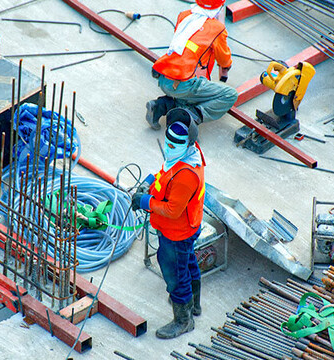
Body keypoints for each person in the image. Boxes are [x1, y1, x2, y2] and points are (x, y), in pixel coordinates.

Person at [131, 114, 206, 339]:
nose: (169, 147)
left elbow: (172, 210)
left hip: (177, 232)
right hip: (188, 227)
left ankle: (184, 320)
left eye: (175, 144)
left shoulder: (186, 175)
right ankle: (193, 305)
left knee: (175, 275)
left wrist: (145, 201)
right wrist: (149, 181)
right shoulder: (187, 156)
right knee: (188, 262)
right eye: (168, 142)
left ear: (188, 143)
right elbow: (166, 174)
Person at [146, 0, 238, 130]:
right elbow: (223, 58)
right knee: (229, 94)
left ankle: (160, 106)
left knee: (190, 93)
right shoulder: (217, 28)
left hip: (163, 74)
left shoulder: (184, 15)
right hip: (183, 83)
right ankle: (188, 116)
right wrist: (226, 67)